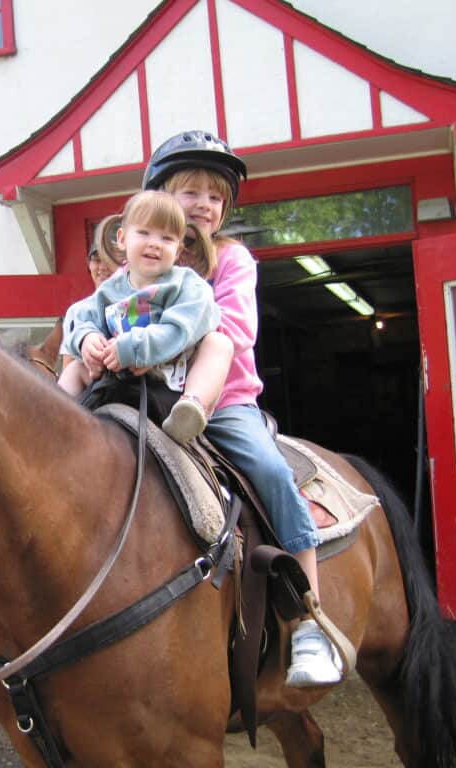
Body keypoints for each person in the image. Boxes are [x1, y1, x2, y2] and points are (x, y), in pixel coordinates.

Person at [144, 130, 343, 687]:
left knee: (271, 472)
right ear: (160, 197)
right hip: (140, 394)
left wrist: (151, 344)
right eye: (190, 192)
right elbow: (110, 305)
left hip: (223, 400)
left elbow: (232, 328)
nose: (204, 204)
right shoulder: (143, 254)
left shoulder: (232, 259)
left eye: (214, 195)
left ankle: (309, 621)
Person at [59, 190, 232, 443]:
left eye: (167, 238)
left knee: (219, 343)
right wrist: (88, 339)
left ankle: (192, 409)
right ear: (122, 238)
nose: (154, 243)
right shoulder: (109, 290)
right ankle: (53, 414)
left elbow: (180, 329)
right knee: (76, 367)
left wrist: (135, 347)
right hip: (115, 380)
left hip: (167, 386)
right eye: (144, 233)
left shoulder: (188, 286)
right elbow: (81, 317)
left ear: (178, 248)